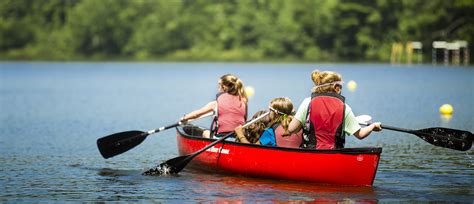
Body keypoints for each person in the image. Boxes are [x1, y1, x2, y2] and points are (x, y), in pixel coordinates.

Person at [285, 70, 382, 149]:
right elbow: (360, 134)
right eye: (341, 86)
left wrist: (302, 124)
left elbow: (291, 129)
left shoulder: (307, 102)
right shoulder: (345, 108)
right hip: (334, 155)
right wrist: (372, 126)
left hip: (311, 153)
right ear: (336, 87)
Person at [181, 74, 248, 138]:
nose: (217, 88)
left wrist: (184, 118)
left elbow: (196, 115)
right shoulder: (243, 102)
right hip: (239, 138)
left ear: (223, 87)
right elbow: (245, 119)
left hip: (220, 138)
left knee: (205, 132)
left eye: (219, 85)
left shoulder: (215, 103)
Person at [235, 97, 303, 148]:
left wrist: (240, 134)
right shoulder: (299, 127)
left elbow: (251, 149)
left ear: (275, 113)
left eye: (270, 110)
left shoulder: (270, 132)